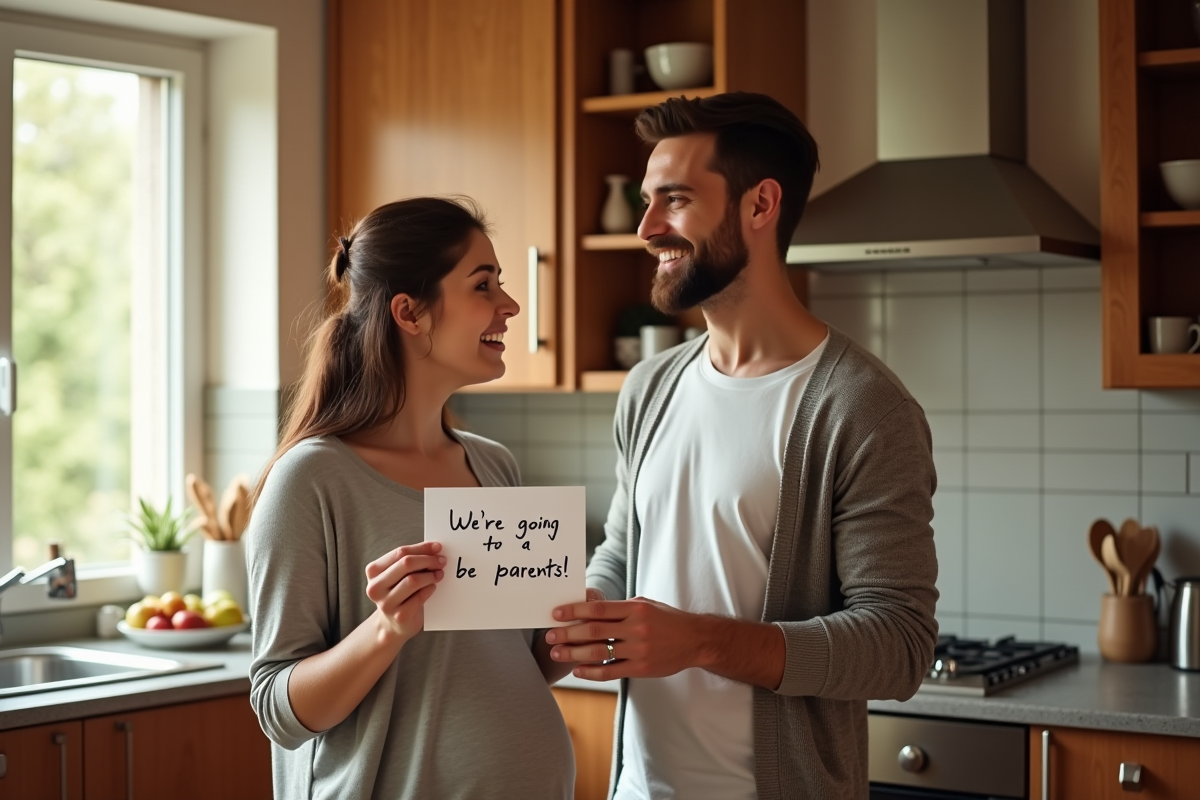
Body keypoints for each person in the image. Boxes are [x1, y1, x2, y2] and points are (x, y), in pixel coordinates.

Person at [543, 93, 940, 799]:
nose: (645, 228)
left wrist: (700, 641)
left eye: (674, 200)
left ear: (760, 206)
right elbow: (626, 550)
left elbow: (898, 644)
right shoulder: (649, 387)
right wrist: (581, 610)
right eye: (645, 201)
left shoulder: (861, 406)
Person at [246, 197, 575, 800]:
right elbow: (278, 709)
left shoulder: (493, 464)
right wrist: (387, 629)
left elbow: (515, 665)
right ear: (410, 313)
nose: (511, 305)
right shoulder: (312, 480)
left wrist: (570, 637)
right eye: (484, 285)